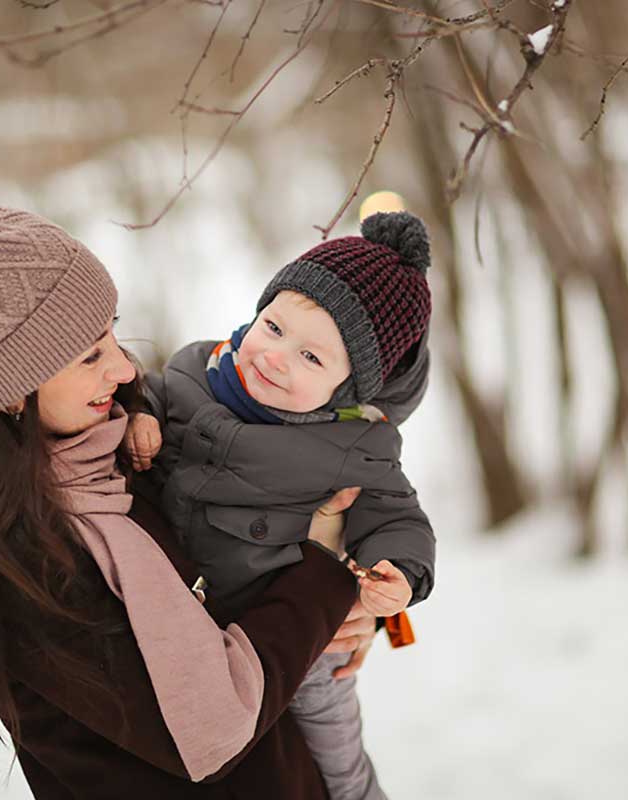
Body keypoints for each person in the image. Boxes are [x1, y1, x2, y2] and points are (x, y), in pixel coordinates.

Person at [0, 205, 377, 799]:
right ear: (7, 393)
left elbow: (237, 588)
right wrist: (313, 572)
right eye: (89, 355)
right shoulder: (21, 566)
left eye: (111, 332)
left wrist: (341, 613)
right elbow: (206, 735)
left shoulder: (119, 454)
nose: (125, 365)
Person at [124, 211, 437, 800]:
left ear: (347, 391)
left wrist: (399, 580)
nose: (274, 356)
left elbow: (397, 518)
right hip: (190, 627)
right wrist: (140, 414)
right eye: (272, 327)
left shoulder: (356, 447)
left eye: (311, 358)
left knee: (334, 753)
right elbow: (142, 392)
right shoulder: (195, 371)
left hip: (296, 637)